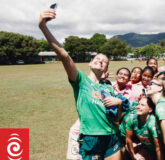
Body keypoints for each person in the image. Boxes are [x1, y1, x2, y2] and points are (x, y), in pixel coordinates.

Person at [39, 9, 123, 160]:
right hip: (91, 137)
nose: (100, 61)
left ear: (106, 68)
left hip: (111, 136)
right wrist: (43, 27)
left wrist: (118, 102)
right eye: (97, 58)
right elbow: (65, 56)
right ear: (90, 62)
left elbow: (117, 116)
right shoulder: (81, 81)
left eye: (104, 61)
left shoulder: (108, 87)